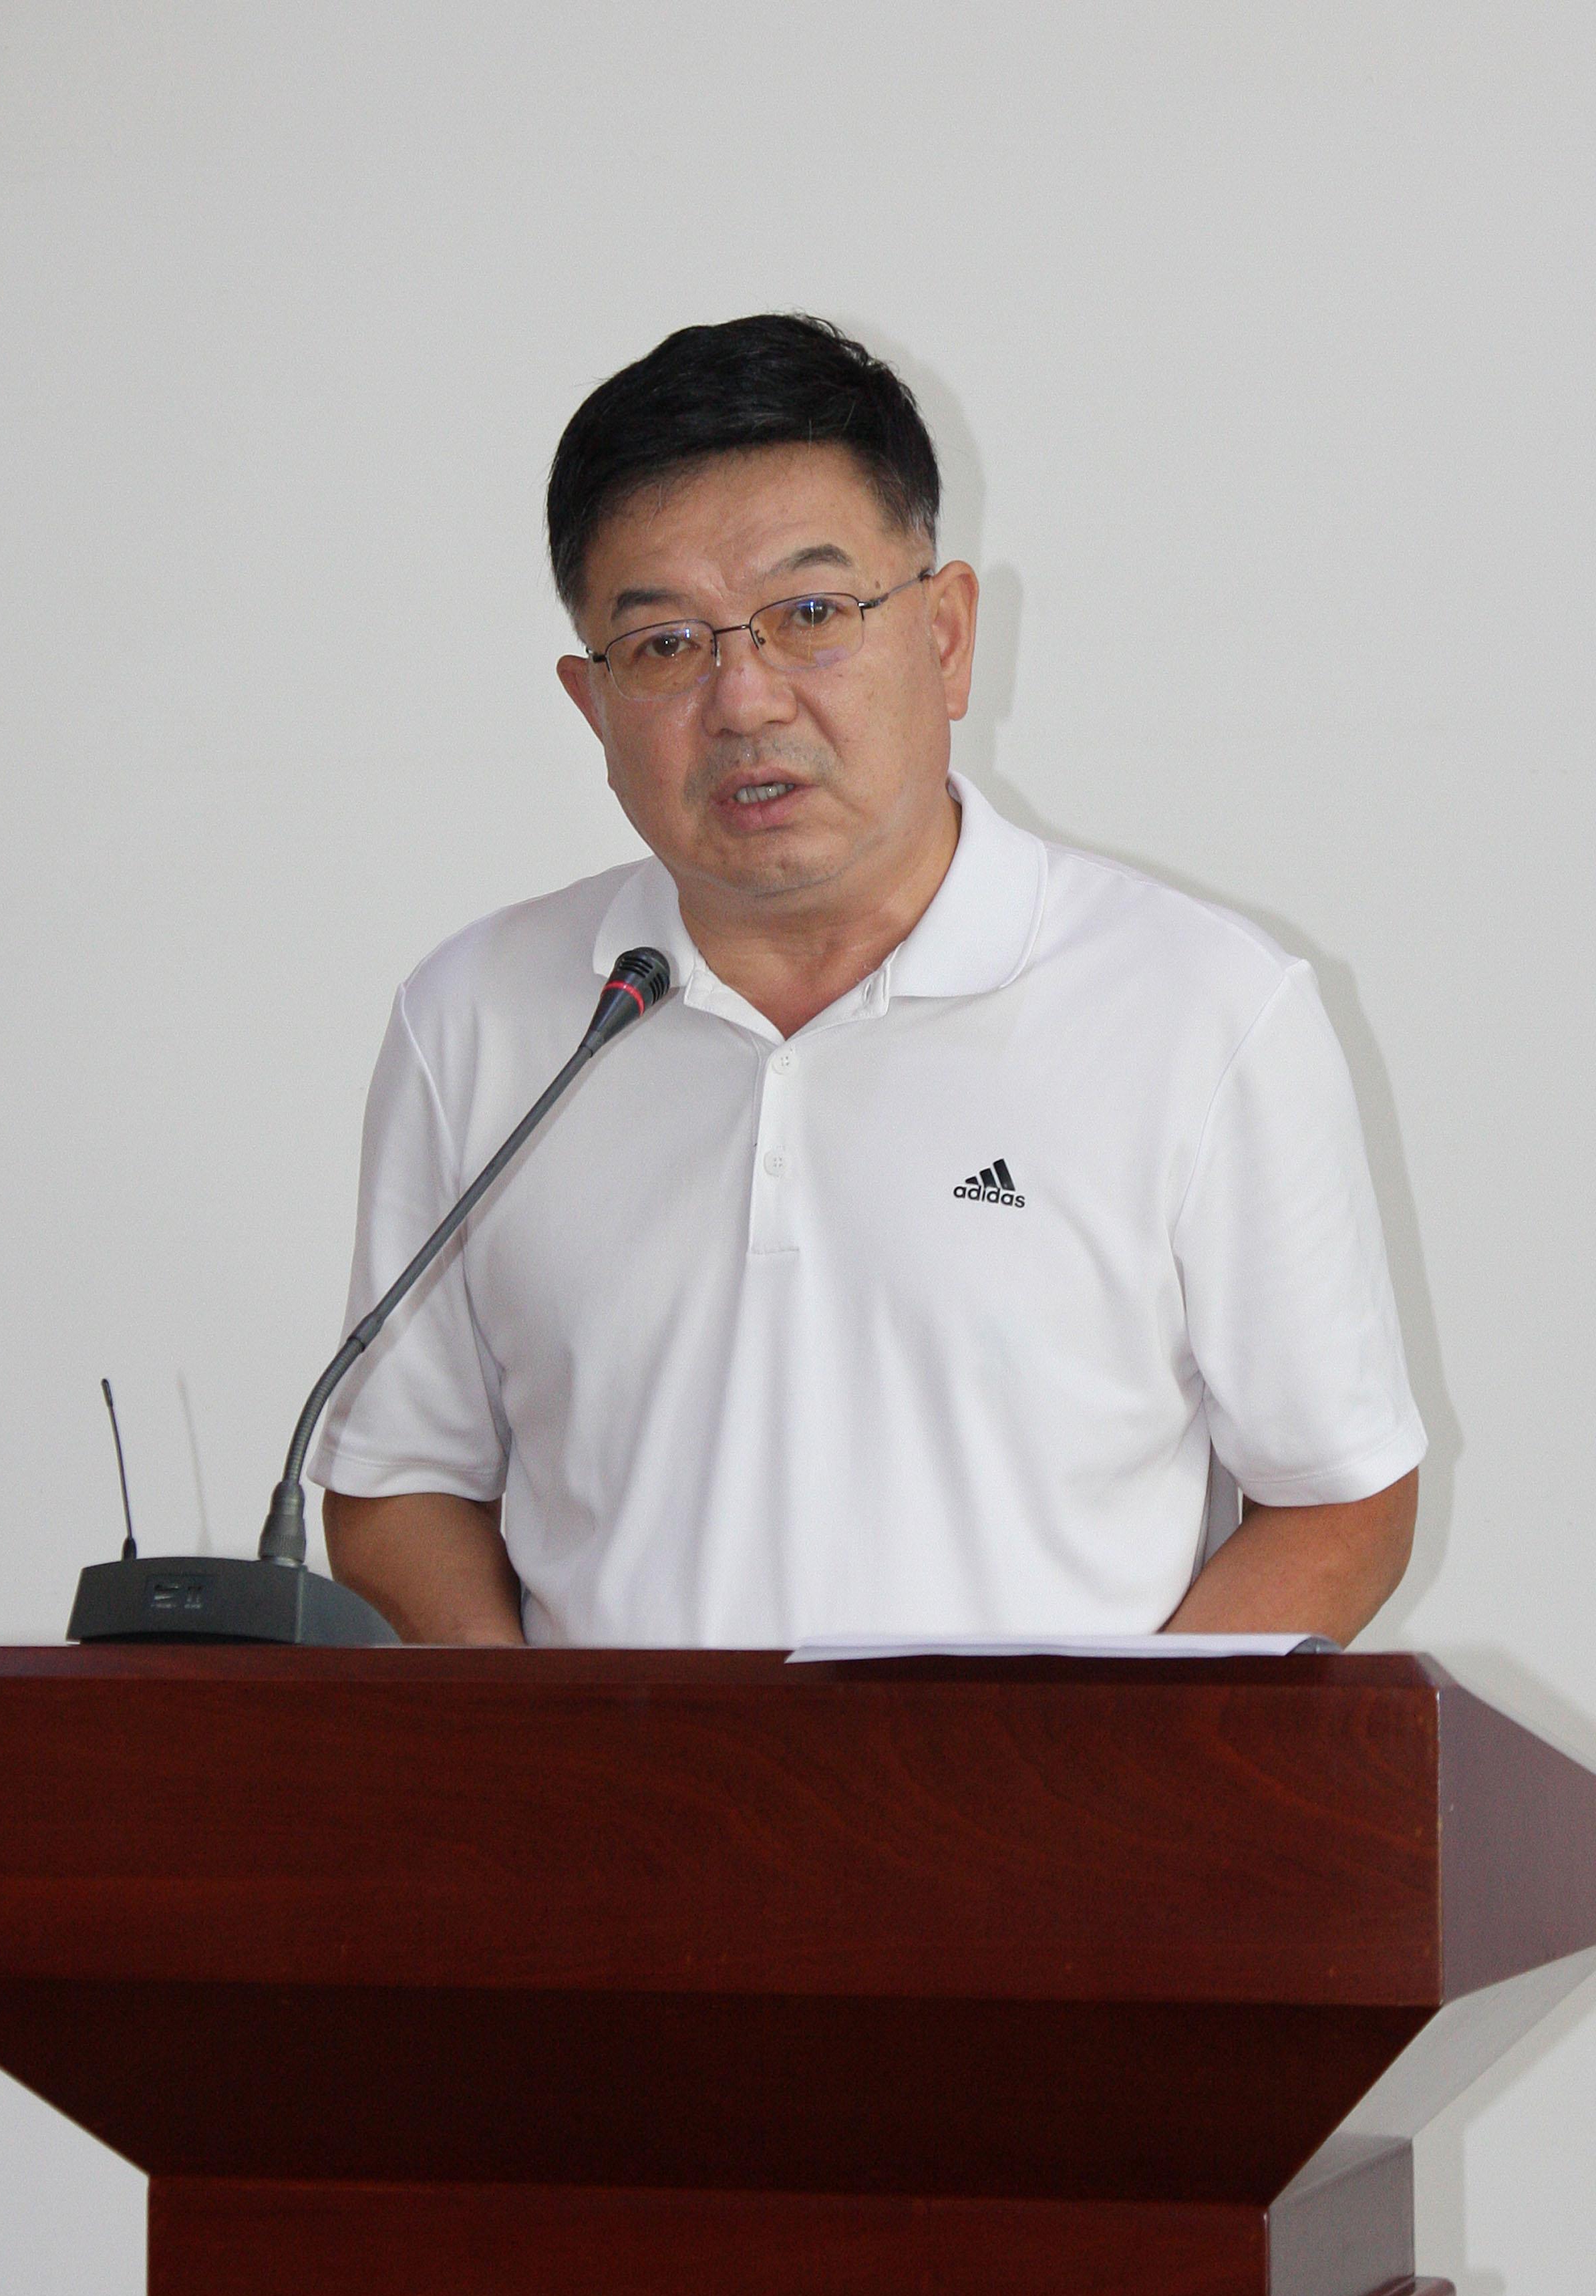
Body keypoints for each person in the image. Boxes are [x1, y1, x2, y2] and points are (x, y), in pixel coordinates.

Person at [312, 313, 1424, 1649]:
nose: (744, 701)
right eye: (664, 644)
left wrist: (1096, 1774)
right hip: (609, 1794)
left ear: (947, 637)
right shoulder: (478, 1019)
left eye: (810, 617)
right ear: (590, 704)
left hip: (1039, 1797)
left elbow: (1340, 1499)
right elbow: (397, 1482)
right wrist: (548, 1762)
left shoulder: (1202, 1011)